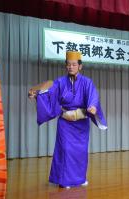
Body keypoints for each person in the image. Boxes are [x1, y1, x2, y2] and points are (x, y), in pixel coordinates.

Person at [28, 51, 107, 188]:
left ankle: (80, 178)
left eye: (74, 64)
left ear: (80, 66)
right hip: (65, 122)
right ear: (66, 66)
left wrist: (93, 106)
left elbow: (93, 95)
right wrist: (36, 94)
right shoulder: (59, 82)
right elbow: (49, 93)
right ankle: (64, 181)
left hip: (81, 123)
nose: (71, 67)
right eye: (68, 64)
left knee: (80, 152)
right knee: (65, 150)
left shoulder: (87, 82)